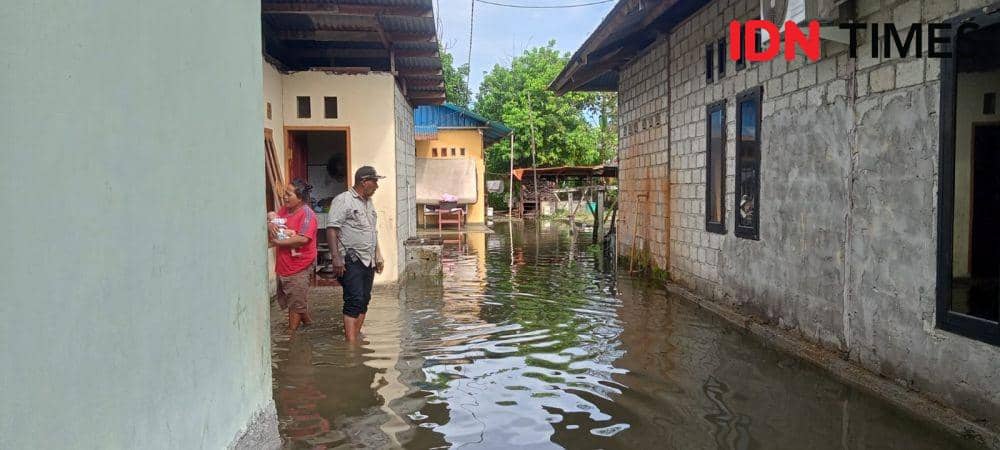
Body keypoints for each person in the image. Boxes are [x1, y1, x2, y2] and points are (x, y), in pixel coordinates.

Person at [326, 166, 385, 342]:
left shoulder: (368, 202)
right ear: (364, 181)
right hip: (350, 259)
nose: (376, 186)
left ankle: (355, 338)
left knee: (364, 299)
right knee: (354, 300)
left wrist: (378, 255)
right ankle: (350, 347)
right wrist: (336, 258)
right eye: (374, 182)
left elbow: (372, 231)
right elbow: (331, 230)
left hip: (368, 260)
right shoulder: (343, 200)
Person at [269, 179, 318, 333]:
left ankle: (292, 337)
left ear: (300, 197)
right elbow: (274, 219)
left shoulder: (307, 214)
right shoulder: (284, 210)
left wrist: (278, 242)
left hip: (299, 267)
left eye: (288, 194)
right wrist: (270, 222)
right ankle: (309, 324)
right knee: (294, 301)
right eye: (285, 194)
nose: (285, 197)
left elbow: (303, 239)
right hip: (284, 265)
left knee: (295, 304)